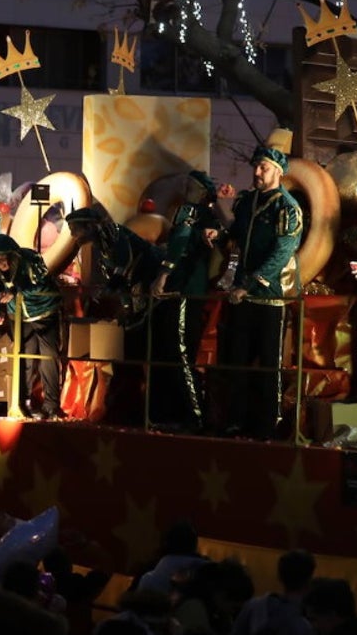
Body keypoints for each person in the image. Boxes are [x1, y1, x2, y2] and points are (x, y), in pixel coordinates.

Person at [218, 131, 302, 441]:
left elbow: (282, 252)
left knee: (269, 365)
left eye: (263, 167)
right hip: (241, 296)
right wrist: (218, 237)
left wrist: (250, 284)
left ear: (278, 172)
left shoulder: (287, 208)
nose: (256, 172)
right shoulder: (246, 201)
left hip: (269, 297)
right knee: (238, 361)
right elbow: (235, 236)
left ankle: (270, 424)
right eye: (255, 166)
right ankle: (236, 421)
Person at [66, 202, 163, 424]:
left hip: (148, 286)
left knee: (141, 345)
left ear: (88, 226)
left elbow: (125, 264)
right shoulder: (101, 245)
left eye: (75, 229)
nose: (73, 235)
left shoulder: (114, 233)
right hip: (134, 294)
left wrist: (114, 286)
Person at [149, 170, 221, 432]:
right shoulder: (211, 217)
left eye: (191, 184)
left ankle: (193, 413)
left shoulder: (189, 211)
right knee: (184, 351)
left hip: (182, 288)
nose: (185, 186)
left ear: (200, 191)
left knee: (177, 352)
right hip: (197, 289)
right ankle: (182, 412)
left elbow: (179, 243)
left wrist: (164, 273)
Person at [0, 232, 64, 420]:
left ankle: (51, 405)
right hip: (17, 316)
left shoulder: (30, 259)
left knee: (48, 357)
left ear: (13, 255)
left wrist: (16, 290)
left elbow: (39, 282)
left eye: (4, 258)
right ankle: (23, 401)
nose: (1, 263)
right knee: (23, 358)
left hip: (44, 311)